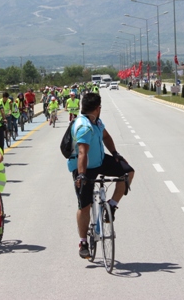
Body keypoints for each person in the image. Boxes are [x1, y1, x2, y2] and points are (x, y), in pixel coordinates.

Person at [69, 93, 135, 259]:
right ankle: (83, 242)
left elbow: (105, 136)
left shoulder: (96, 121)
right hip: (84, 166)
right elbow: (83, 153)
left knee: (128, 171)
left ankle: (111, 206)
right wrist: (82, 175)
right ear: (98, 109)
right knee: (84, 205)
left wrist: (115, 153)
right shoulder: (84, 126)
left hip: (100, 160)